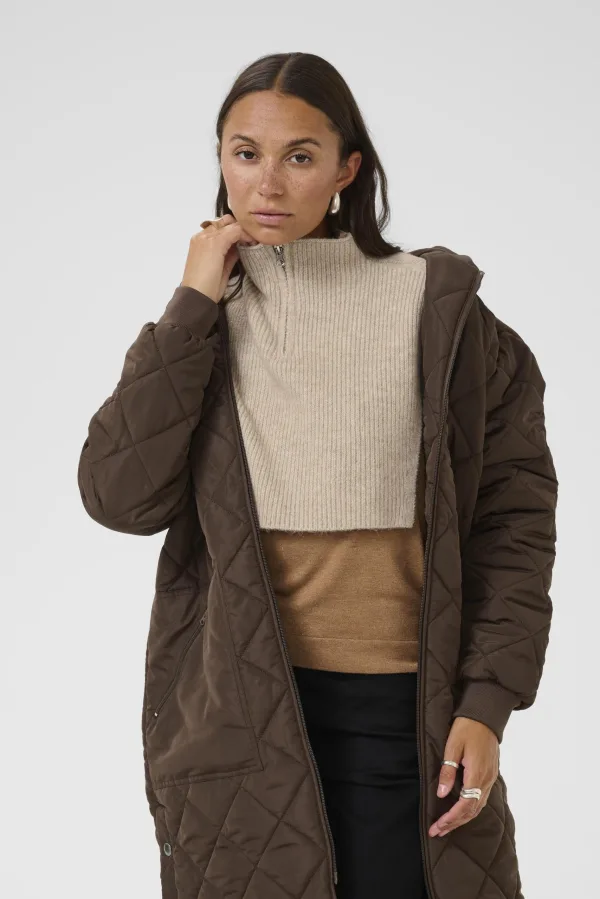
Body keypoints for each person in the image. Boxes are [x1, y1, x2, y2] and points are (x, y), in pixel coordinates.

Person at [77, 52, 558, 899]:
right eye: (245, 153)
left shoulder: (440, 312)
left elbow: (514, 521)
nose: (267, 182)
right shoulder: (204, 324)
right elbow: (120, 497)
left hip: (408, 713)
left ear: (346, 169)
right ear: (220, 159)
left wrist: (487, 700)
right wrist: (189, 307)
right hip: (245, 716)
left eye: (300, 156)